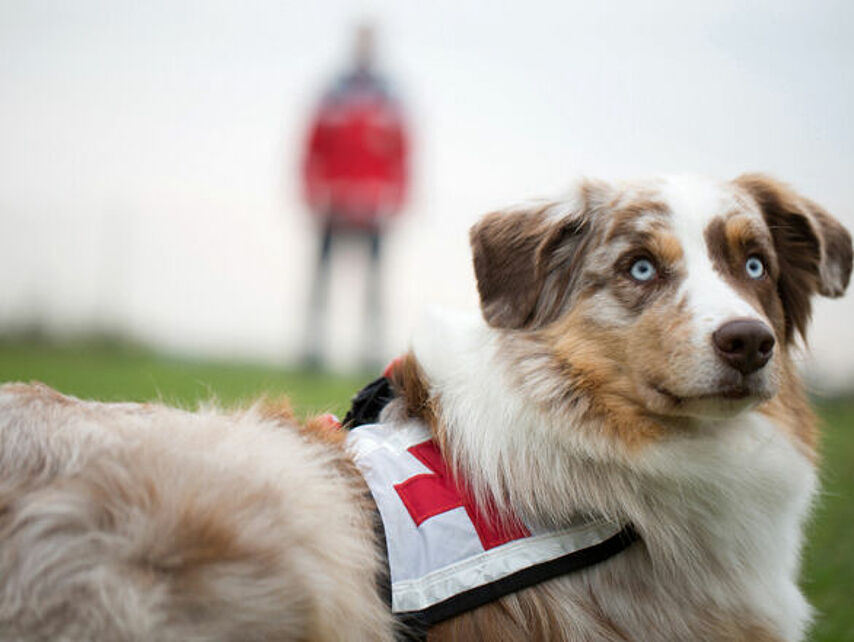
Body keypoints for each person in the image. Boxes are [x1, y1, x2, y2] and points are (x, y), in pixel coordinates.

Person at [300, 23, 409, 370]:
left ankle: (370, 354)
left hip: (373, 209)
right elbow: (312, 148)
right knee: (321, 282)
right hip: (333, 206)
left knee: (373, 289)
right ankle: (313, 351)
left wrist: (393, 200)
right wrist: (315, 193)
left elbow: (401, 155)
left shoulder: (389, 98)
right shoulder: (332, 93)